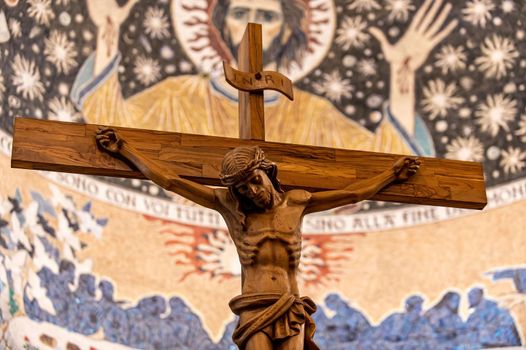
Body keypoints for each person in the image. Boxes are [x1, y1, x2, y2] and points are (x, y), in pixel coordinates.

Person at [95, 127, 420, 349]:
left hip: (291, 306)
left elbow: (351, 194)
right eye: (243, 189)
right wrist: (124, 149)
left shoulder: (297, 203)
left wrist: (391, 175)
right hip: (254, 308)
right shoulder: (230, 207)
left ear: (268, 172)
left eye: (255, 180)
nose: (252, 191)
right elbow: (171, 181)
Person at [72, 0, 457, 156]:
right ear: (220, 24)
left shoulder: (314, 116)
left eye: (268, 15)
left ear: (288, 30)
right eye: (241, 11)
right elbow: (108, 126)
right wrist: (107, 31)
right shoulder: (175, 97)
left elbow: (390, 163)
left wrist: (403, 73)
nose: (252, 24)